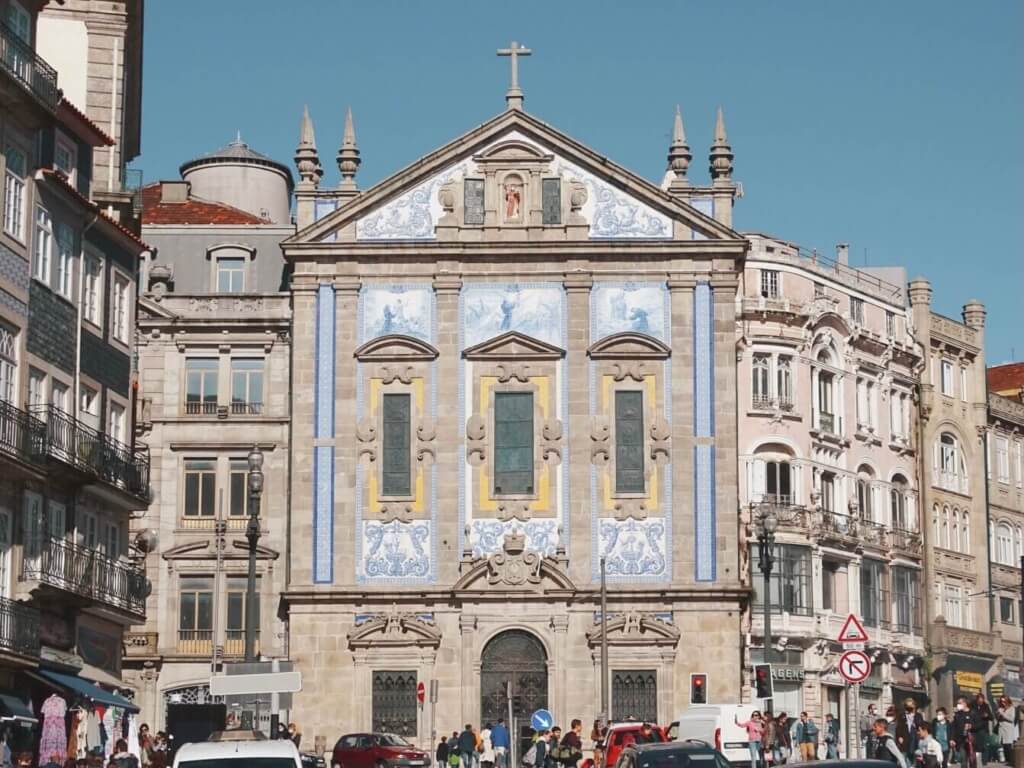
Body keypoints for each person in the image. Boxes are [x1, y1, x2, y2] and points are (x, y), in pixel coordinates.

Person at [951, 697, 979, 768]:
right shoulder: (957, 715)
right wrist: (952, 739)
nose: (958, 705)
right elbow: (954, 727)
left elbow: (980, 725)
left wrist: (971, 726)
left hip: (971, 740)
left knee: (972, 760)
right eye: (957, 703)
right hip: (961, 741)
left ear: (965, 703)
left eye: (959, 703)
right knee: (963, 761)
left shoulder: (973, 713)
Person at [974, 694, 995, 764]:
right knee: (977, 745)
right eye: (979, 701)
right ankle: (977, 760)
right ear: (977, 700)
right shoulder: (973, 706)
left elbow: (991, 717)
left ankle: (984, 761)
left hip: (984, 728)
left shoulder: (986, 706)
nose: (980, 702)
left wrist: (987, 716)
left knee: (985, 745)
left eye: (982, 701)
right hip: (975, 729)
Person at [997, 696, 1016, 765]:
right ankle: (1006, 760)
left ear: (1007, 701)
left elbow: (1012, 719)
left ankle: (1010, 760)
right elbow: (998, 719)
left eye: (1004, 701)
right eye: (1001, 701)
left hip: (1008, 729)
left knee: (1008, 745)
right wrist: (998, 715)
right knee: (1003, 744)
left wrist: (1003, 714)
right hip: (1001, 729)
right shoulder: (1000, 708)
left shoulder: (1011, 708)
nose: (1003, 703)